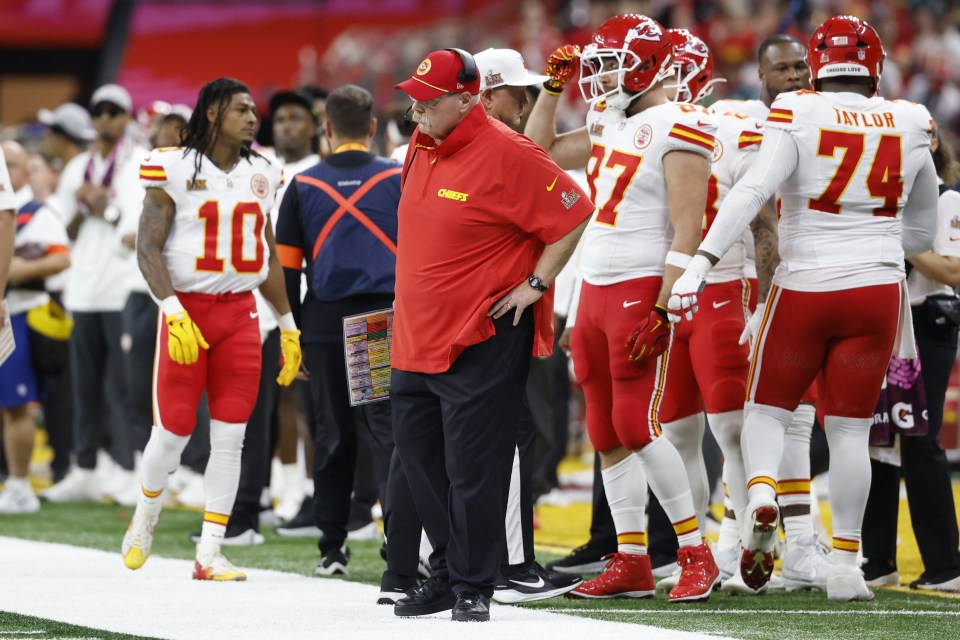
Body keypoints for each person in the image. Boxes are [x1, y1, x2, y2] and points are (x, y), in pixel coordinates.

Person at [669, 15, 938, 601]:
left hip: (806, 283)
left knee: (766, 411)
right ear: (876, 65)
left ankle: (762, 495)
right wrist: (875, 241)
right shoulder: (914, 119)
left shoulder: (796, 111)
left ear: (817, 64)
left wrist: (698, 264)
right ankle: (845, 566)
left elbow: (752, 192)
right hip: (877, 289)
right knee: (848, 432)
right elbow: (922, 229)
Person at [391, 48, 592, 622]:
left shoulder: (509, 151)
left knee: (473, 468)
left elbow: (575, 211)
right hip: (414, 332)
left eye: (429, 101)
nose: (416, 110)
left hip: (480, 332)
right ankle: (449, 572)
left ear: (465, 98)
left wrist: (536, 282)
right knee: (417, 459)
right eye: (414, 98)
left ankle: (476, 584)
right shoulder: (422, 143)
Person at [524, 14, 720, 602]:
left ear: (648, 63)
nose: (602, 76)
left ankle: (695, 551)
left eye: (612, 63)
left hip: (640, 284)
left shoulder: (680, 122)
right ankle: (631, 557)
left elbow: (687, 230)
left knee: (637, 423)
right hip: (598, 288)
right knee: (606, 427)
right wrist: (550, 91)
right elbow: (541, 151)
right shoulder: (609, 119)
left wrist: (664, 307)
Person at [120, 77, 302, 581]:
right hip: (188, 311)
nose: (252, 117)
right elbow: (147, 248)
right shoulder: (172, 165)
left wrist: (288, 323)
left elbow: (267, 258)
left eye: (252, 109)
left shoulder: (264, 171)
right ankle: (146, 513)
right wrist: (173, 311)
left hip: (240, 313)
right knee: (174, 431)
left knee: (231, 438)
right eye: (242, 109)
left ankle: (211, 551)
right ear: (214, 113)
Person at [274, 83, 419, 579]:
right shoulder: (399, 179)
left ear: (327, 128)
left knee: (331, 434)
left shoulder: (303, 185)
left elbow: (287, 271)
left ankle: (331, 548)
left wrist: (291, 333)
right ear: (374, 128)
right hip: (384, 317)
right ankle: (398, 548)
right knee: (388, 434)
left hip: (323, 322)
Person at [712, 34, 830, 592]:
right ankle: (779, 539)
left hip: (822, 279)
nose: (793, 74)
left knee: (795, 418)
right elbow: (762, 221)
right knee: (771, 418)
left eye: (800, 65)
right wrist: (760, 298)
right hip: (761, 284)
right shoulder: (755, 124)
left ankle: (755, 537)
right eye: (781, 68)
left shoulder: (827, 116)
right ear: (760, 76)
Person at [472, 46, 582, 603]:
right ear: (487, 93)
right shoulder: (496, 149)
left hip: (447, 311)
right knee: (511, 436)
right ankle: (511, 564)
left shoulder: (430, 148)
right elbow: (573, 207)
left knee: (444, 438)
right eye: (518, 92)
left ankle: (439, 558)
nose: (524, 102)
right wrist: (536, 283)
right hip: (490, 311)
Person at [862, 122, 960, 592]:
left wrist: (896, 232)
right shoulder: (879, 199)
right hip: (882, 322)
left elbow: (952, 269)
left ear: (932, 144)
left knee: (920, 440)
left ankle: (945, 565)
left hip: (926, 322)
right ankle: (877, 559)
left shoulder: (947, 200)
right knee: (876, 439)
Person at [40, 84, 146, 505]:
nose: (105, 119)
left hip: (121, 288)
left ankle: (126, 466)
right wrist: (85, 211)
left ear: (125, 119)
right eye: (98, 112)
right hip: (83, 288)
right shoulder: (76, 168)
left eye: (113, 112)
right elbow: (63, 232)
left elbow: (132, 232)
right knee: (83, 386)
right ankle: (85, 467)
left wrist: (106, 207)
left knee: (122, 387)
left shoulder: (139, 164)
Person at [0, 141, 71, 514]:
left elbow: (61, 259)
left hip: (22, 314)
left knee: (16, 403)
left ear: (27, 171)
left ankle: (20, 483)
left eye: (11, 165)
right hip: (10, 311)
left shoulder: (36, 212)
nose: (5, 172)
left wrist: (18, 270)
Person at [37, 102, 95, 174]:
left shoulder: (85, 173)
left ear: (65, 138)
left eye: (53, 130)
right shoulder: (61, 169)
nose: (46, 135)